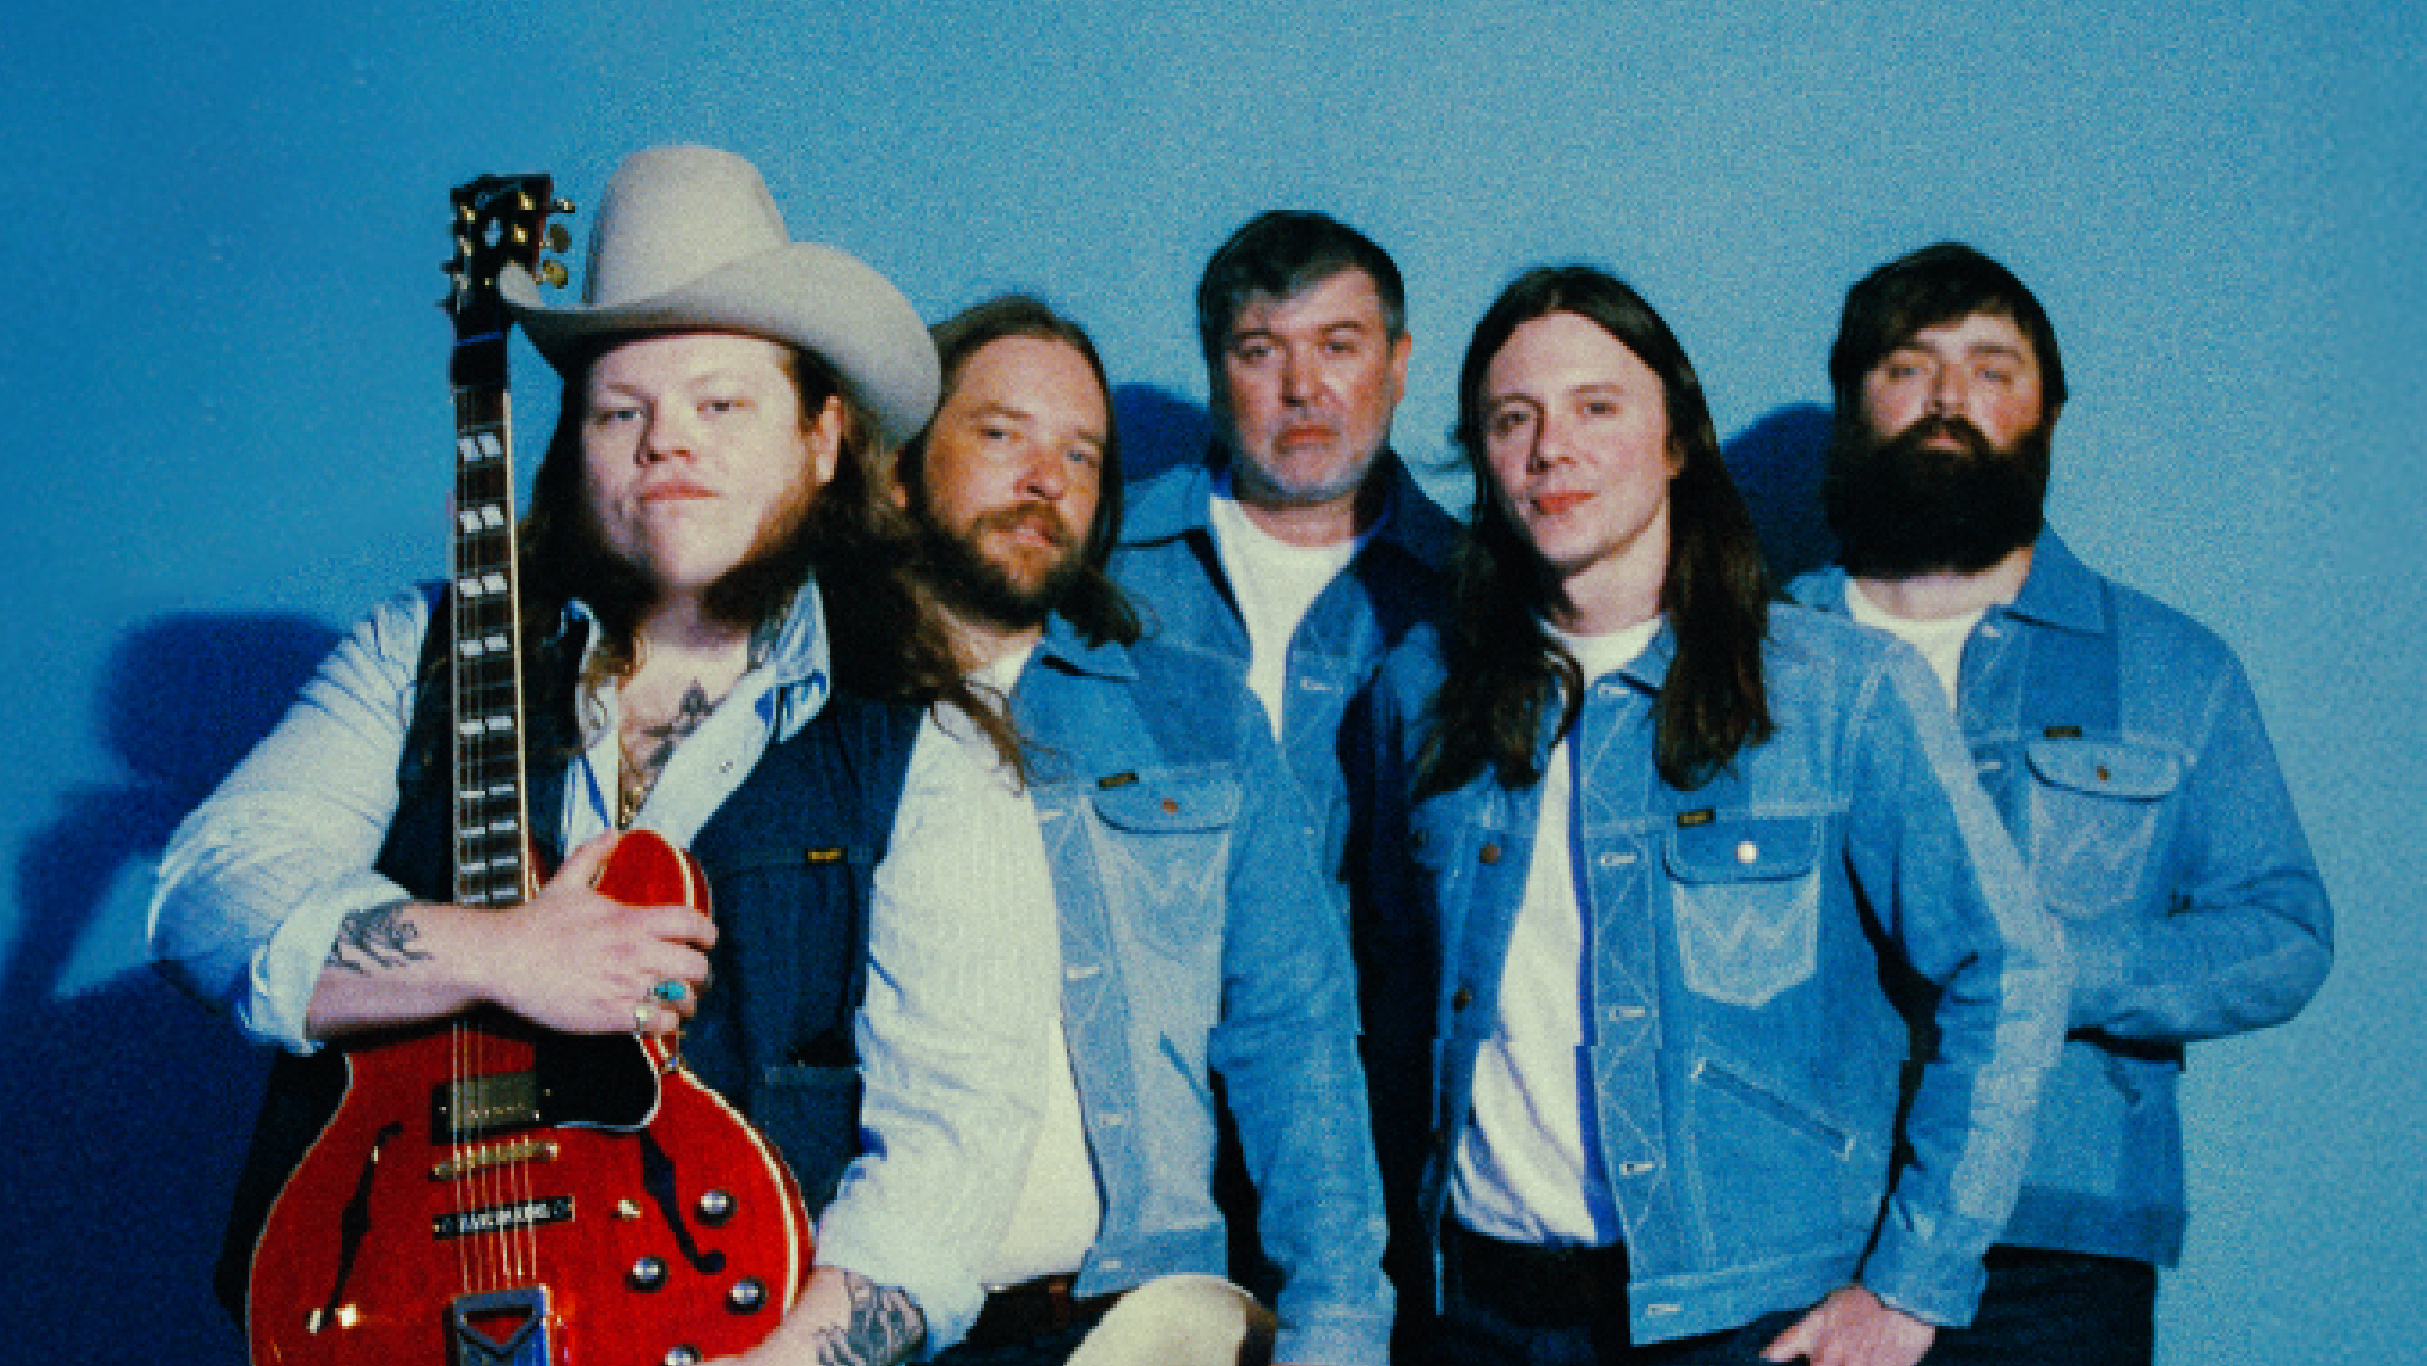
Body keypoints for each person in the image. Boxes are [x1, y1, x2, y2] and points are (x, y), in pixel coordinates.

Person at [148, 143, 941, 1333]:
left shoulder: (917, 740)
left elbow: (946, 1155)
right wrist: (499, 951)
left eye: (722, 403)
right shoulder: (415, 651)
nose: (668, 442)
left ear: (822, 437)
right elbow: (207, 899)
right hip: (384, 1315)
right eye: (623, 410)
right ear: (574, 446)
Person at [1354, 265, 2067, 1365]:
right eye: (1512, 419)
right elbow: (1389, 1004)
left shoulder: (1839, 692)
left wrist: (1911, 1285)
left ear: (1677, 440)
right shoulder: (1419, 693)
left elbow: (2010, 967)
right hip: (1476, 1314)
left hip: (1745, 1323)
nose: (1551, 450)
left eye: (1597, 407)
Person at [745, 294, 1391, 1366]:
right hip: (851, 1328)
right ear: (899, 472)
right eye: (1002, 434)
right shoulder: (800, 722)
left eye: (1080, 455)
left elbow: (1298, 1045)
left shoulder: (1199, 717)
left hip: (1140, 1329)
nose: (1045, 478)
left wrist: (1336, 1335)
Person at [1786, 242, 2333, 1365]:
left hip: (2057, 1251)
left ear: (2047, 415)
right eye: (1909, 366)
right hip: (1790, 1225)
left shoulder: (2171, 668)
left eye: (1992, 370)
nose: (1949, 399)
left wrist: (2034, 967)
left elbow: (2284, 935)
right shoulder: (1748, 656)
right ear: (1852, 400)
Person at [1111, 210, 1456, 875]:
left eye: (1337, 346)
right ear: (1216, 373)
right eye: (1260, 352)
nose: (1301, 389)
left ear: (1397, 365)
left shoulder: (1473, 594)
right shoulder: (1104, 565)